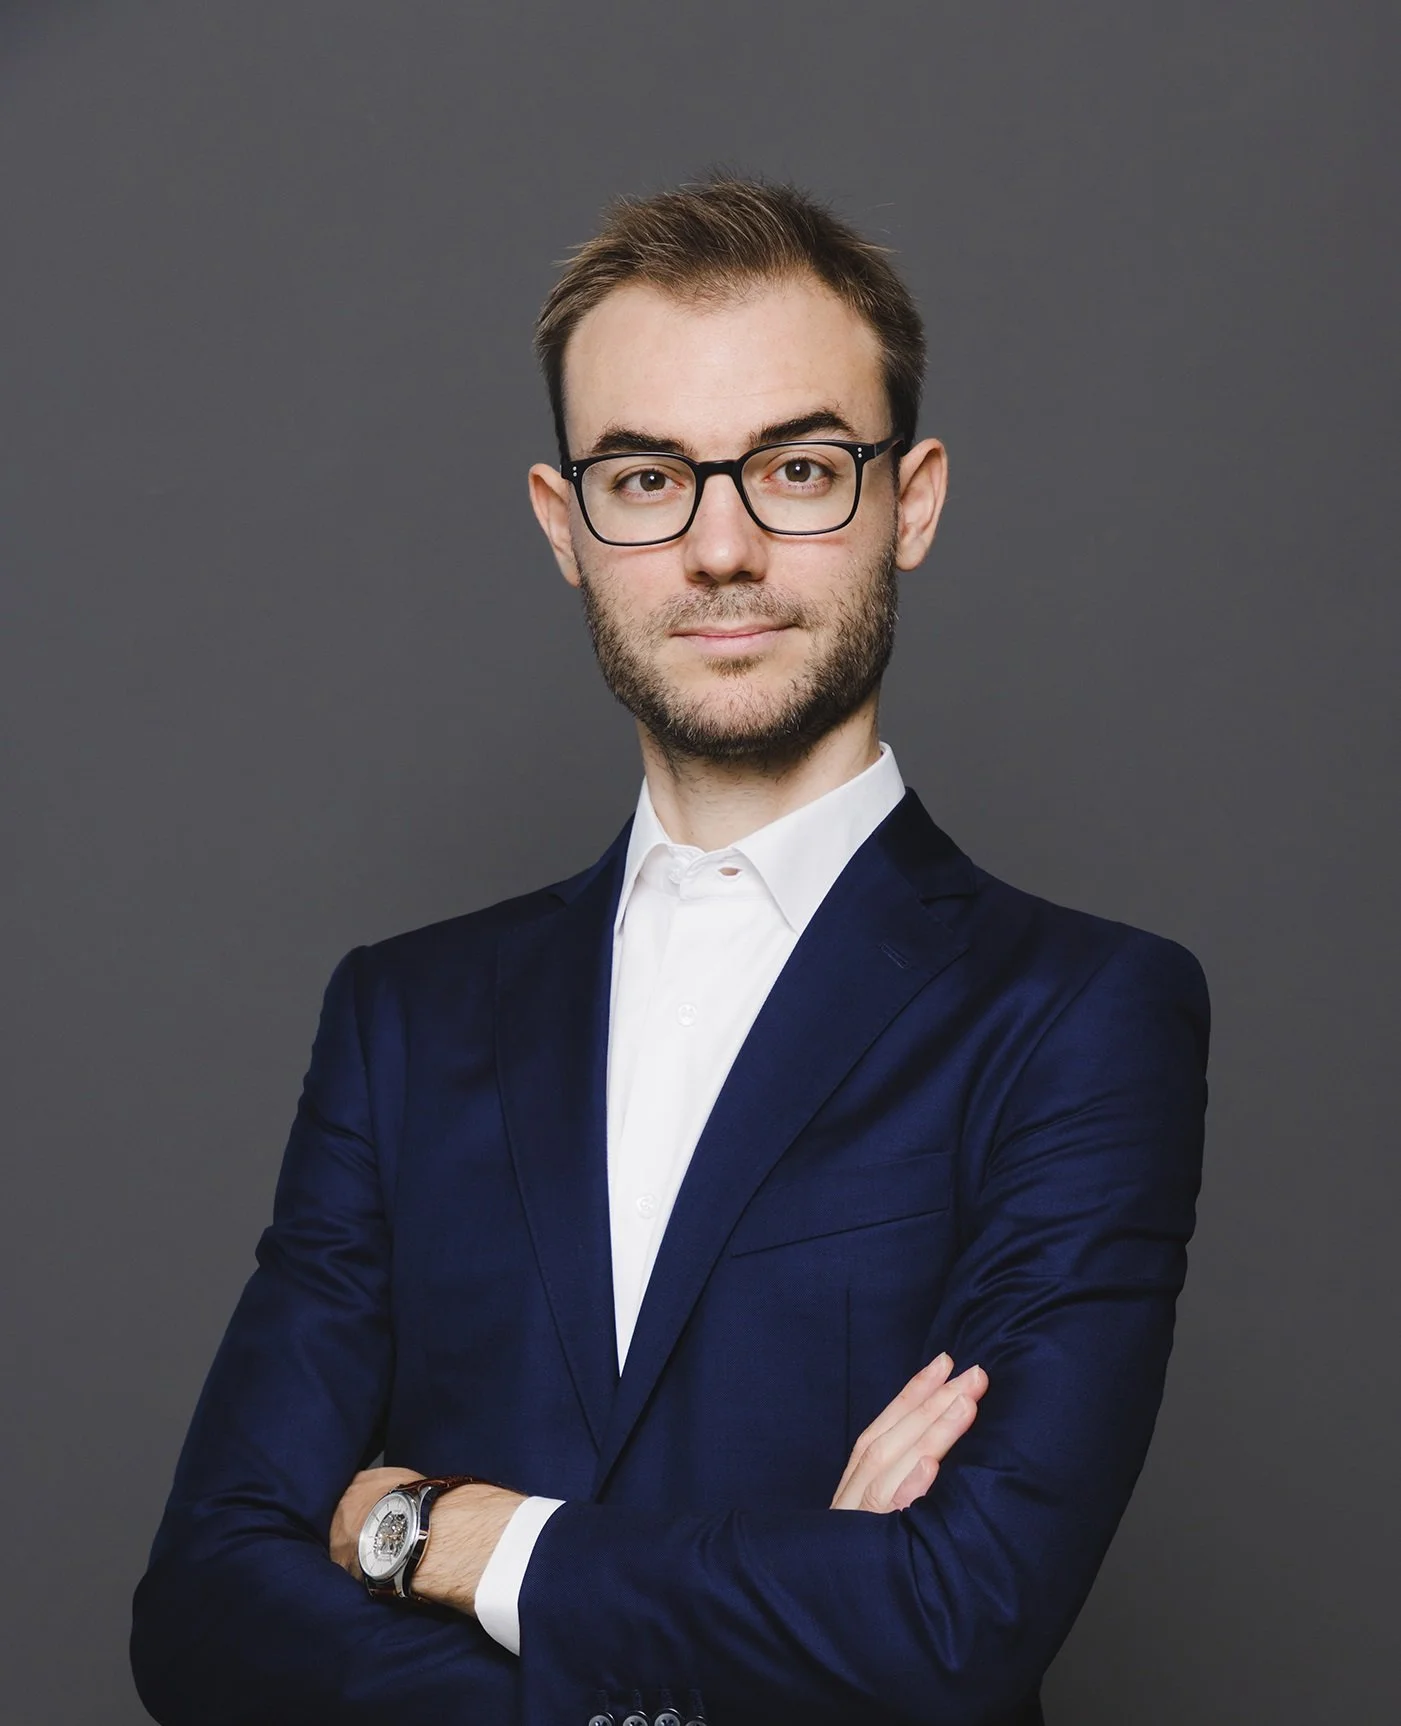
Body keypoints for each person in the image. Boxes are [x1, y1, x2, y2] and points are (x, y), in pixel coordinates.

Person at [131, 177, 1209, 1726]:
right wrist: (778, 1626)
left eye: (798, 468)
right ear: (565, 526)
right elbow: (203, 1614)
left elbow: (955, 1616)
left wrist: (447, 1531)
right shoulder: (403, 1019)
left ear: (911, 500)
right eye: (647, 479)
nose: (721, 546)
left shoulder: (1082, 1015)